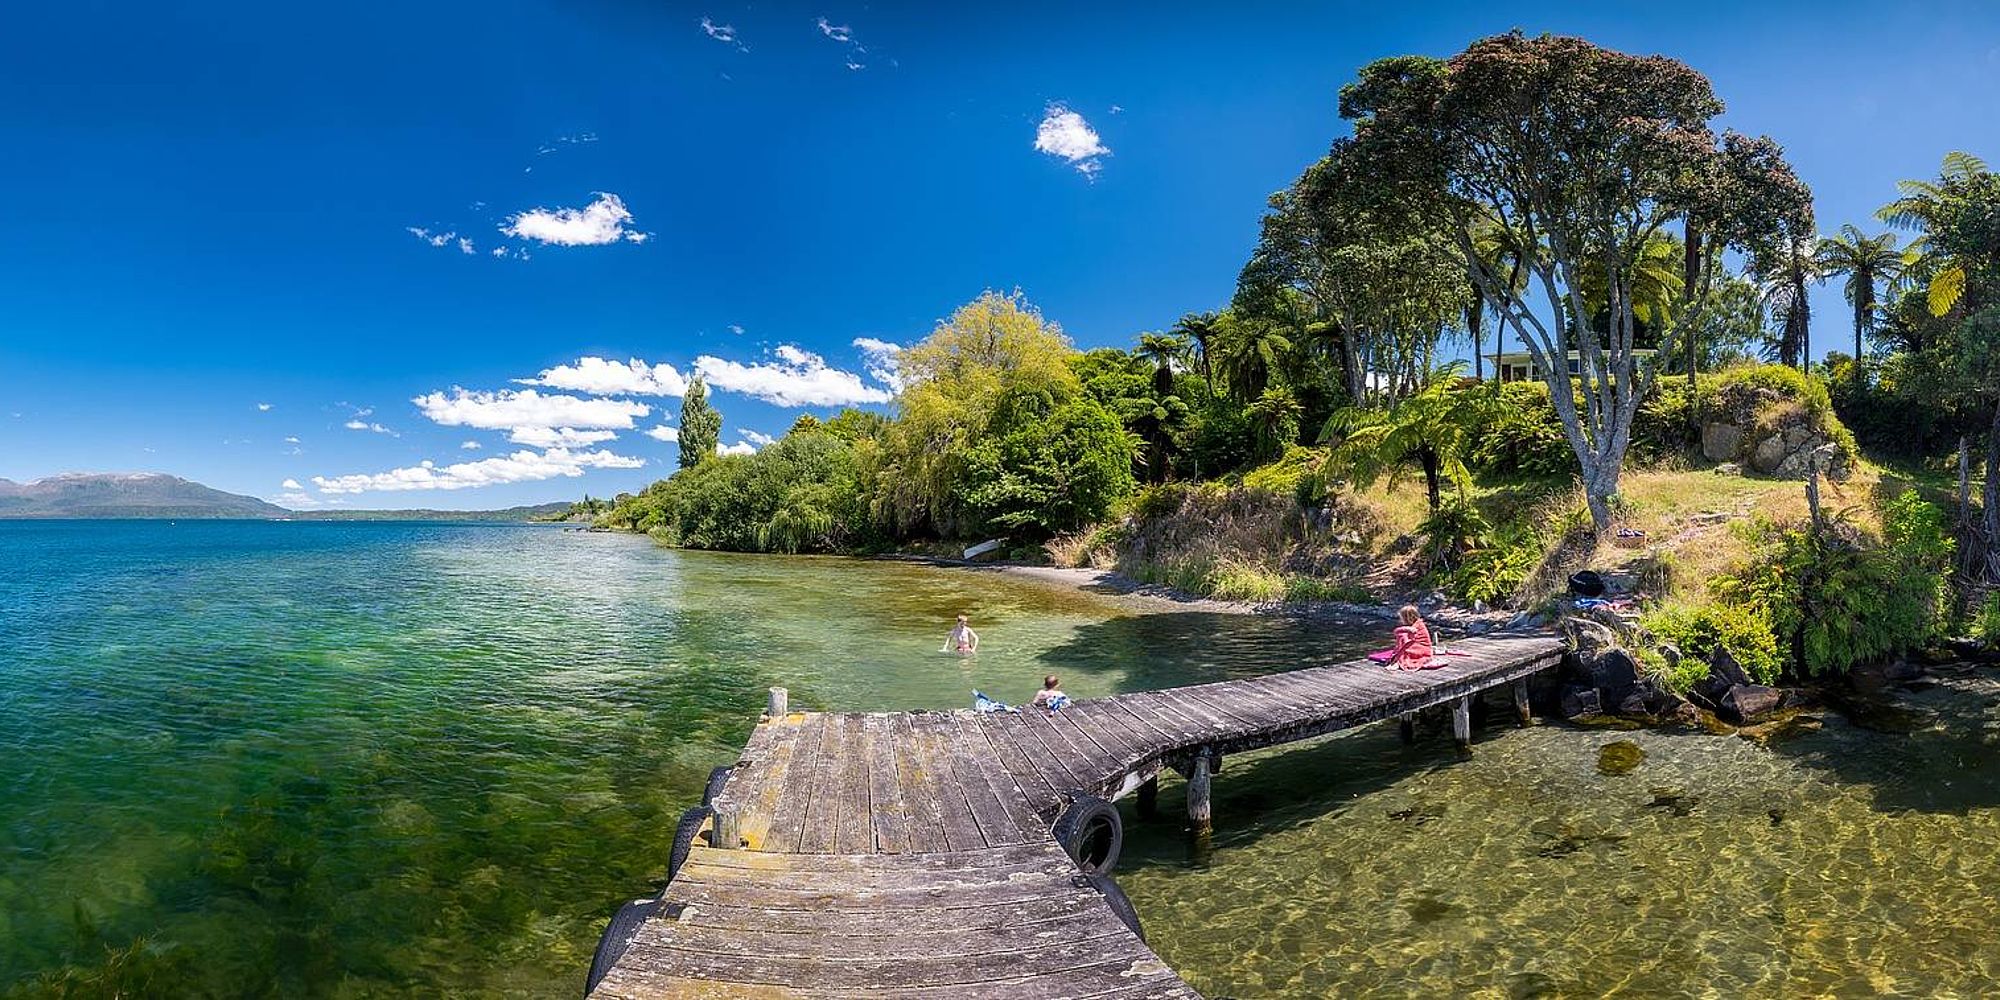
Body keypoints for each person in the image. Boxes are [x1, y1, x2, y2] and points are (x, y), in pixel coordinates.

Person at [1388, 604, 1436, 670]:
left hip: (1423, 649)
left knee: (1403, 637)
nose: (1400, 620)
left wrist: (1405, 629)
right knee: (1403, 637)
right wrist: (1405, 629)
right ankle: (1398, 659)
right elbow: (1396, 631)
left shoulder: (1418, 625)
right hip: (1421, 647)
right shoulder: (1414, 624)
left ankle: (1398, 661)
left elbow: (1400, 634)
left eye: (1401, 618)